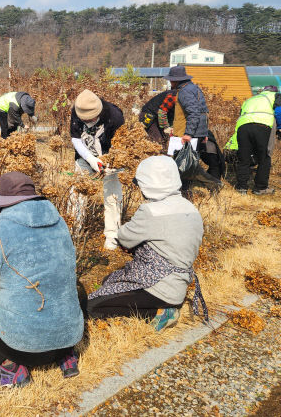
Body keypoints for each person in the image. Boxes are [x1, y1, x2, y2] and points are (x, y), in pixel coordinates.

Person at [0, 172, 84, 387]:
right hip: (68, 338)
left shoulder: (0, 231)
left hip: (25, 349)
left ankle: (10, 368)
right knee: (75, 288)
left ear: (2, 204)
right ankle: (67, 358)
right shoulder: (60, 223)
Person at [83, 156, 208, 331]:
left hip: (156, 287)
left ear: (148, 184)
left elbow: (124, 238)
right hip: (178, 285)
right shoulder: (190, 208)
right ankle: (165, 307)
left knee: (91, 305)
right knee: (109, 281)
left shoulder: (151, 211)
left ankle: (159, 312)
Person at [70, 89, 125, 250]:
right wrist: (90, 159)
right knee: (77, 191)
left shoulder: (115, 116)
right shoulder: (77, 109)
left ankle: (112, 234)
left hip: (111, 158)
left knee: (112, 195)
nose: (87, 120)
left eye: (90, 118)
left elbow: (121, 145)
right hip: (86, 155)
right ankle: (74, 228)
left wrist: (111, 164)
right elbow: (75, 139)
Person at [163, 66, 223, 190]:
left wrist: (188, 134)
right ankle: (185, 189)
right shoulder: (194, 88)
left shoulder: (184, 92)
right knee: (188, 163)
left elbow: (194, 113)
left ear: (177, 80)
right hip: (196, 132)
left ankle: (212, 184)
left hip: (187, 134)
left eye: (171, 80)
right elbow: (203, 111)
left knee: (184, 164)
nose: (170, 82)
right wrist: (204, 132)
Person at [225, 85, 281, 195]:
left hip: (243, 127)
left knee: (244, 157)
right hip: (262, 126)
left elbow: (241, 114)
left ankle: (241, 187)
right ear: (274, 91)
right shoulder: (277, 96)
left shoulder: (251, 99)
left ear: (263, 91)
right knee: (264, 157)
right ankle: (260, 188)